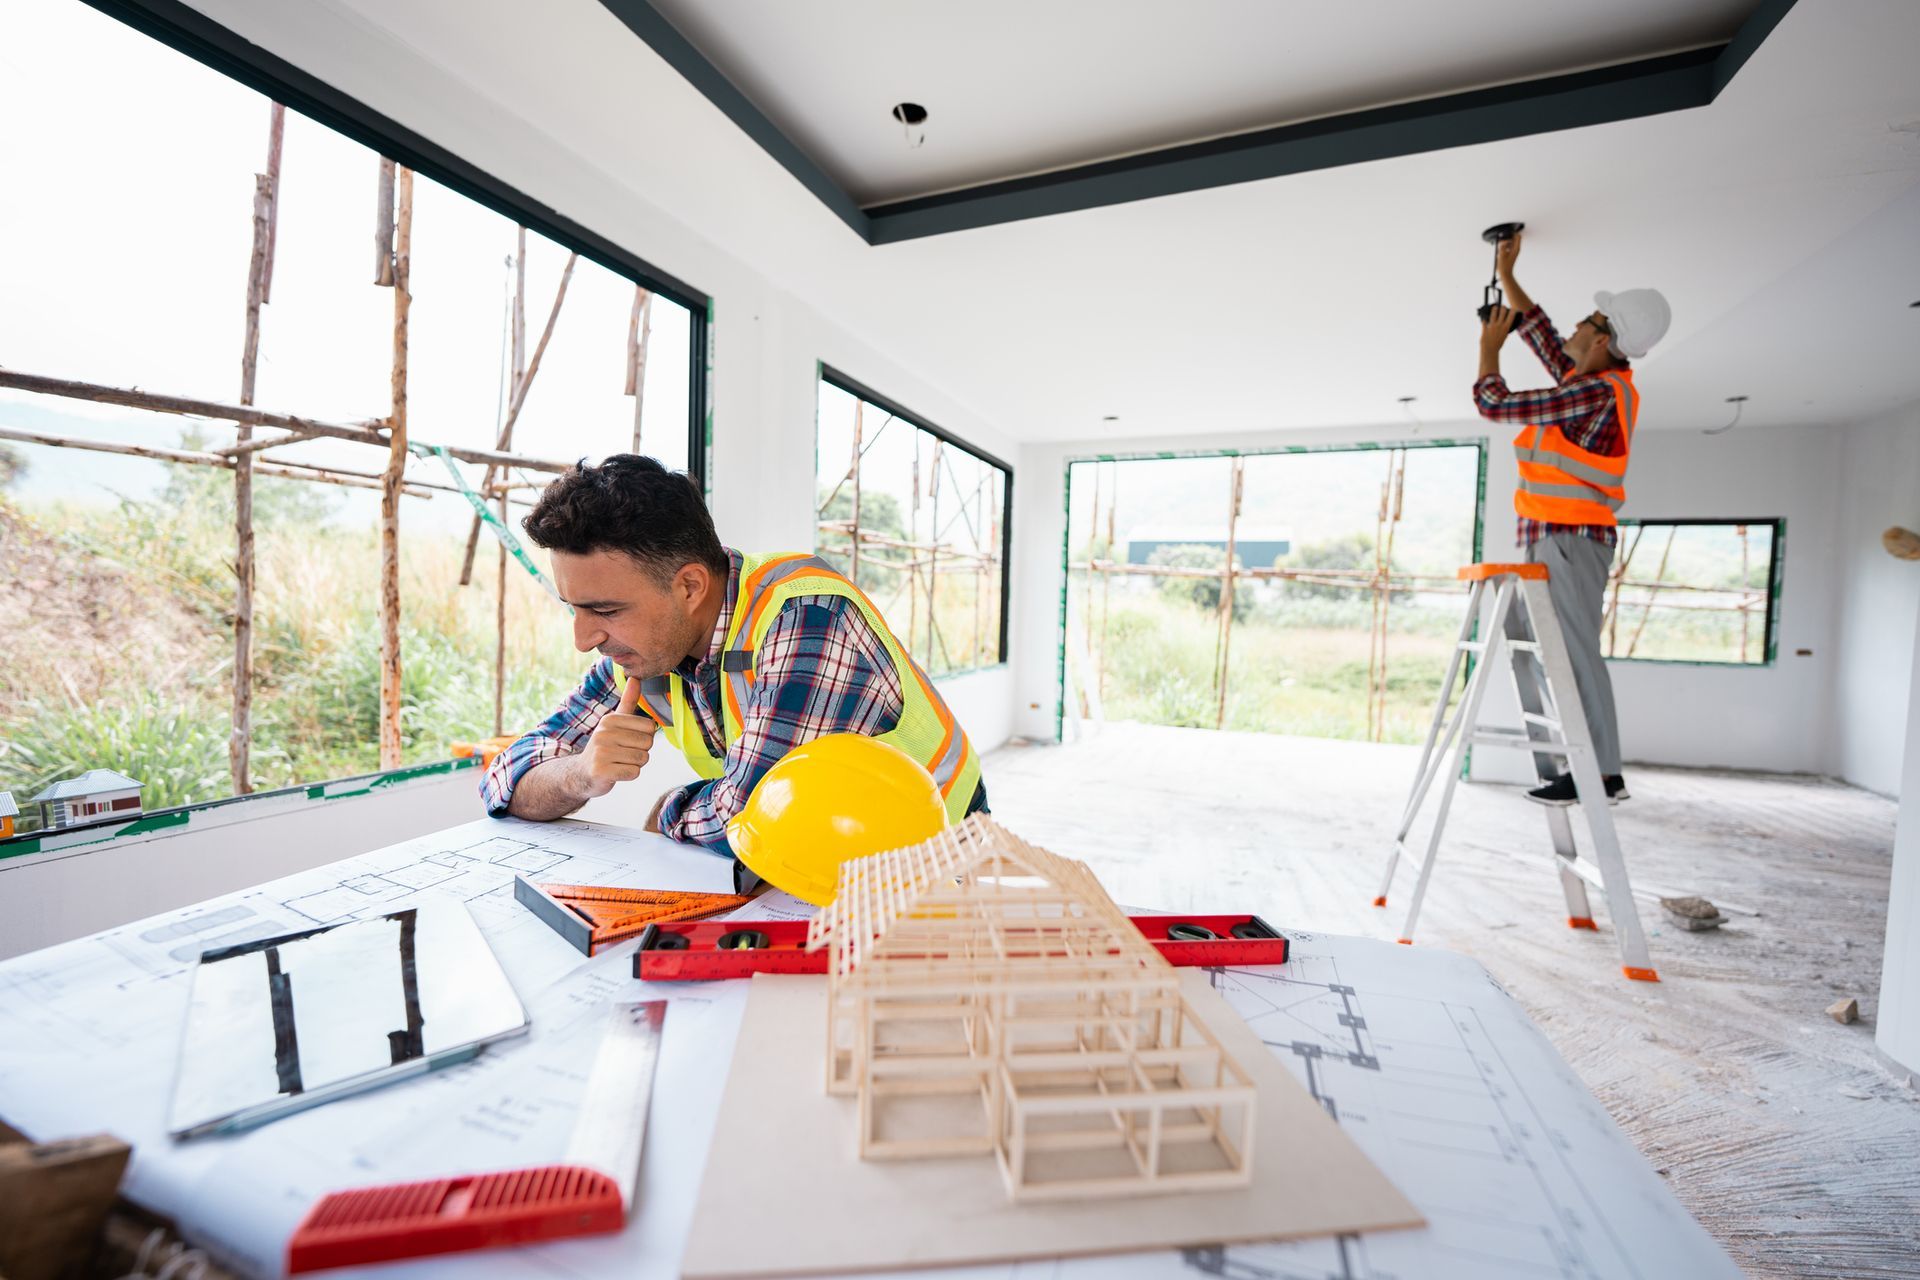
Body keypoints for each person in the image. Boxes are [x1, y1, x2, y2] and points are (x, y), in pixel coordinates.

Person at [480, 455, 985, 885]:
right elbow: (504, 778)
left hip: (936, 843)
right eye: (575, 609)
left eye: (606, 611)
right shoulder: (639, 651)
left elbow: (746, 815)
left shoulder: (806, 613)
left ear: (691, 586)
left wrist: (666, 810)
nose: (583, 639)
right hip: (813, 850)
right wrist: (579, 773)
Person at [1473, 233, 1670, 806]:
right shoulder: (1590, 383)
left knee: (1576, 651)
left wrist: (1489, 345)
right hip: (1555, 539)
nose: (1576, 327)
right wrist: (1508, 276)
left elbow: (1495, 404)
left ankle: (1602, 775)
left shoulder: (1596, 393)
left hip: (1570, 540)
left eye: (1589, 320)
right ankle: (1588, 768)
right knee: (1563, 651)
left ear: (1604, 338)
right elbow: (1545, 337)